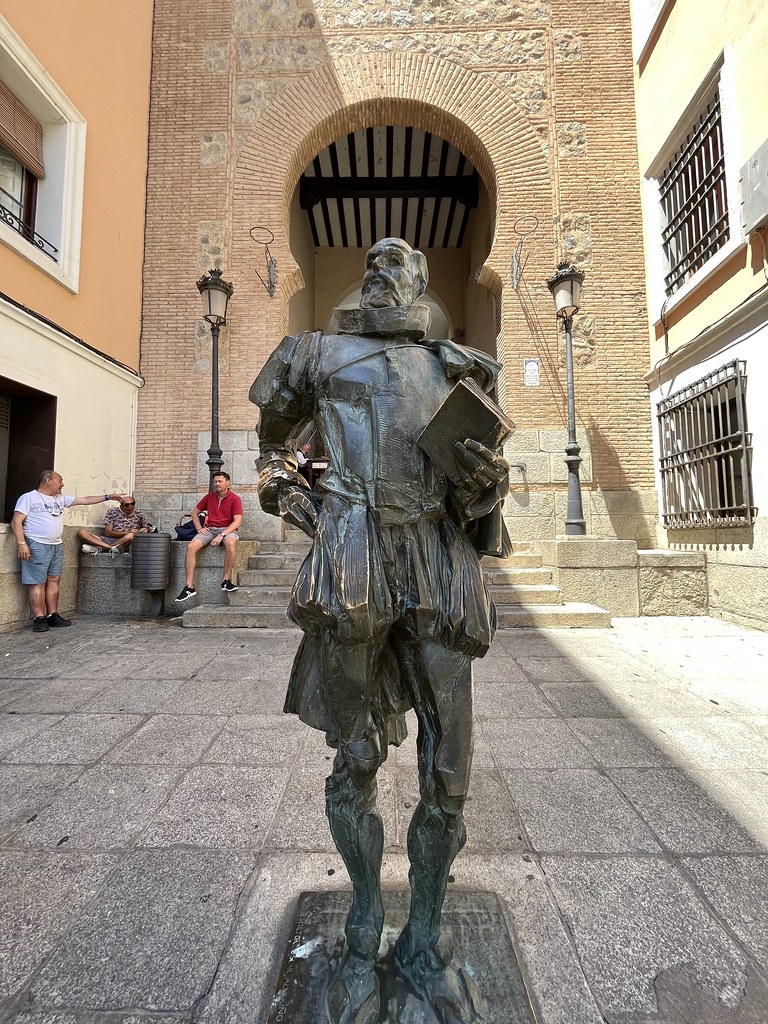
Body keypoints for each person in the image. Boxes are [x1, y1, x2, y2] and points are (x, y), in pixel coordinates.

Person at [250, 238, 510, 1023]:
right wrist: (287, 491)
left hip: (435, 555)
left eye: (400, 262)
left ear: (423, 282)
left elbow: (480, 499)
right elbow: (270, 447)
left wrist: (487, 488)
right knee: (355, 752)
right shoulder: (312, 354)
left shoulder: (463, 367)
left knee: (450, 772)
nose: (382, 267)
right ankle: (364, 924)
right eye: (374, 258)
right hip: (355, 551)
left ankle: (424, 934)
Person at [12, 470, 130, 633]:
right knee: (37, 581)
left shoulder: (60, 498)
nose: (62, 484)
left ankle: (52, 614)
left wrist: (108, 497)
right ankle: (39, 618)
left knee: (54, 579)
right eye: (60, 481)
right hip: (37, 544)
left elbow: (85, 500)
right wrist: (22, 543)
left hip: (57, 544)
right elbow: (16, 522)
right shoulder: (28, 498)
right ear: (48, 481)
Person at [175, 471, 243, 601]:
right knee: (191, 547)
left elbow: (238, 521)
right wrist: (199, 528)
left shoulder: (235, 499)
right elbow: (194, 513)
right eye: (215, 481)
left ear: (228, 483)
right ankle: (189, 587)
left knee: (230, 543)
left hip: (227, 530)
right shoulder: (209, 497)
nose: (217, 484)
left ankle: (226, 580)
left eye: (220, 481)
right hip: (210, 529)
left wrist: (222, 535)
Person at [78, 496, 153, 555]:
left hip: (128, 541)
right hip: (111, 539)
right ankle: (111, 548)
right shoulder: (112, 512)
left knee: (130, 536)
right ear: (121, 506)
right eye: (127, 510)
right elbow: (108, 532)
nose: (130, 511)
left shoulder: (138, 513)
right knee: (82, 533)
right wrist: (127, 532)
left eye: (132, 510)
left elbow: (146, 527)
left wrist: (147, 529)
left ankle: (101, 548)